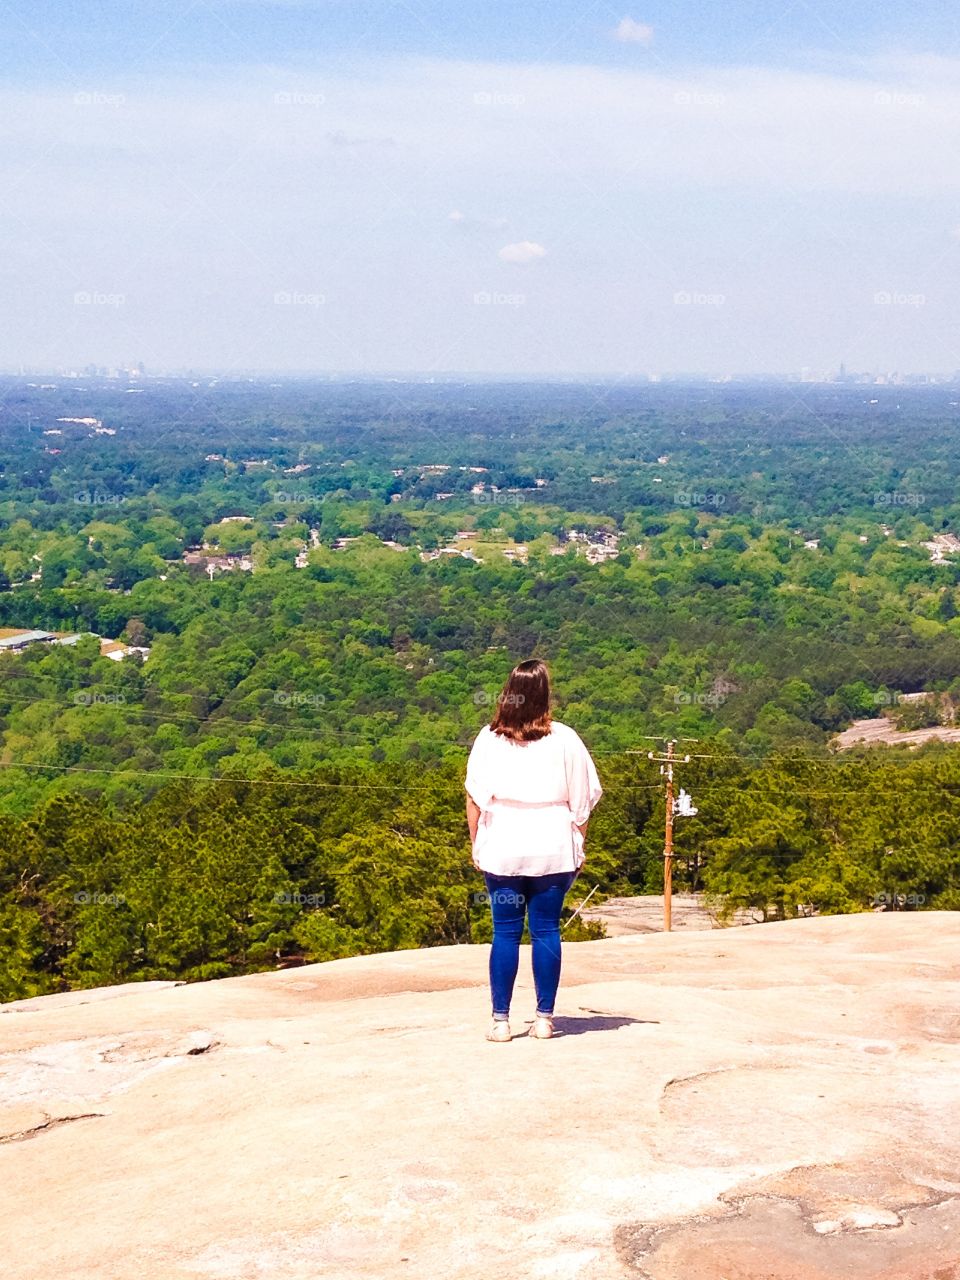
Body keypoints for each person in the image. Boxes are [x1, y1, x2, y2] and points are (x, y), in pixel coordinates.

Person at [465, 659, 602, 1042]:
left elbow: (475, 799)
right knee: (546, 931)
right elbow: (583, 801)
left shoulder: (489, 739)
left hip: (505, 846)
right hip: (552, 846)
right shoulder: (565, 739)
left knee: (505, 933)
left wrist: (478, 844)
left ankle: (501, 1021)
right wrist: (578, 842)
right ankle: (544, 1019)